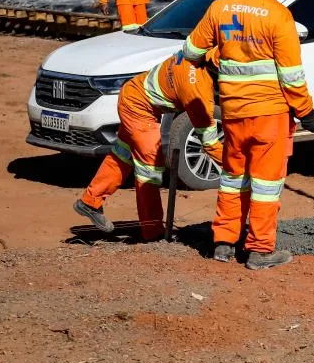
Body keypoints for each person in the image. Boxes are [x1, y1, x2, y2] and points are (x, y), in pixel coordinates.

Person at [183, 0, 314, 270]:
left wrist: (219, 54)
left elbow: (191, 53)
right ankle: (259, 250)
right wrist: (307, 112)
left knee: (232, 180)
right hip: (270, 117)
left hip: (232, 114)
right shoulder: (278, 15)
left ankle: (224, 243)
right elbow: (291, 76)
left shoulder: (219, 8)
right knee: (266, 185)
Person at [73, 50, 222, 241]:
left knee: (122, 156)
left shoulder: (194, 51)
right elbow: (209, 143)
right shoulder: (197, 91)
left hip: (132, 95)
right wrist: (237, 166)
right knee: (150, 169)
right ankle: (153, 232)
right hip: (138, 108)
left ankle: (89, 201)